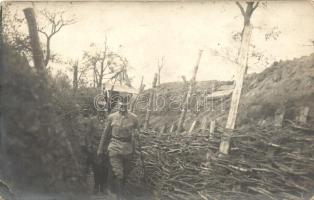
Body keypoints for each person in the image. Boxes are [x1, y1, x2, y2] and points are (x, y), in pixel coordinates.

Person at [97, 98, 139, 200]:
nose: (122, 107)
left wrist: (135, 145)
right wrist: (100, 149)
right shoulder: (112, 117)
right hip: (114, 147)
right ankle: (119, 197)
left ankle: (114, 190)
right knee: (119, 173)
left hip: (128, 148)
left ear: (128, 105)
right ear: (118, 105)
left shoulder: (134, 118)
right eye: (121, 105)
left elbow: (137, 133)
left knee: (125, 173)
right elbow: (105, 134)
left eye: (125, 105)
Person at [79, 108, 109, 194]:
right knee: (96, 166)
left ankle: (103, 186)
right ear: (97, 111)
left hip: (105, 146)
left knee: (105, 167)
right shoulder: (92, 120)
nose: (102, 113)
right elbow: (88, 134)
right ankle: (96, 186)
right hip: (95, 145)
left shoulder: (109, 120)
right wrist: (89, 145)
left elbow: (111, 134)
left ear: (106, 111)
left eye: (104, 111)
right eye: (100, 111)